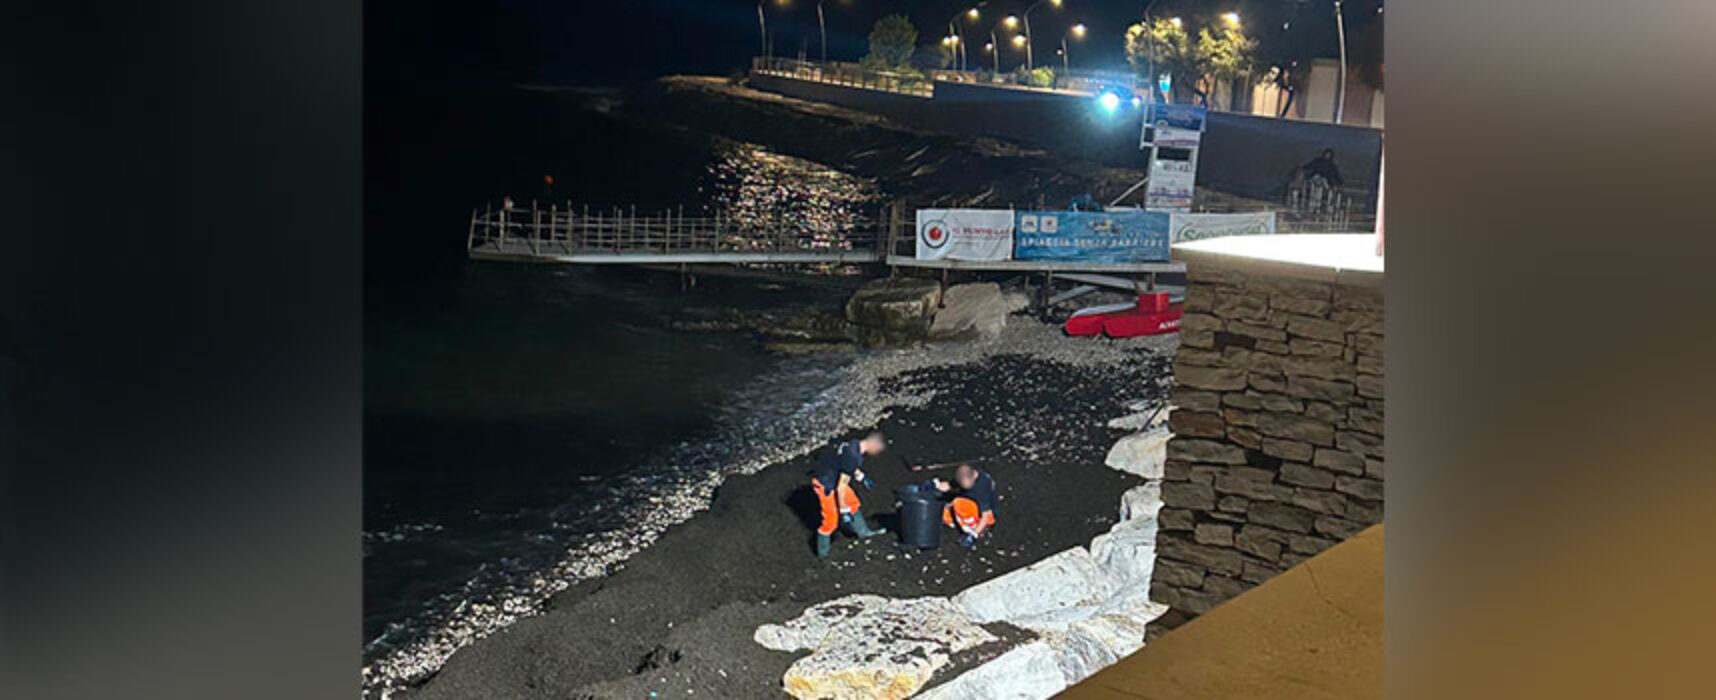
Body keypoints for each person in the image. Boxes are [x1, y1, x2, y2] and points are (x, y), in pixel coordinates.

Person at [808, 431, 888, 558]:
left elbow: (846, 464)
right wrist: (844, 510)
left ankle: (864, 533)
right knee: (831, 521)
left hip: (833, 476)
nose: (877, 452)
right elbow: (841, 487)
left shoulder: (854, 444)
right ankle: (823, 554)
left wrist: (861, 477)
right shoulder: (853, 456)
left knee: (853, 503)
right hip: (825, 484)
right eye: (878, 449)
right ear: (873, 445)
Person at [934, 463, 998, 550]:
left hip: (985, 515)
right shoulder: (964, 477)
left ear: (974, 476)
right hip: (970, 502)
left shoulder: (982, 488)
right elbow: (949, 486)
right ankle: (958, 521)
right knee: (944, 513)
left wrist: (973, 535)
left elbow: (986, 515)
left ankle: (973, 526)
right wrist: (936, 485)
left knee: (959, 504)